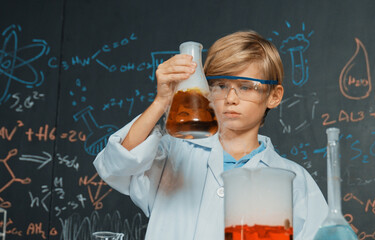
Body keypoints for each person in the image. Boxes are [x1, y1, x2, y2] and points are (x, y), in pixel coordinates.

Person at [93, 30, 328, 240]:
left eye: (246, 86)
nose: (231, 98)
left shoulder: (294, 181)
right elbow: (116, 165)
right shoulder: (174, 154)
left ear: (274, 96)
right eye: (220, 85)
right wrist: (161, 101)